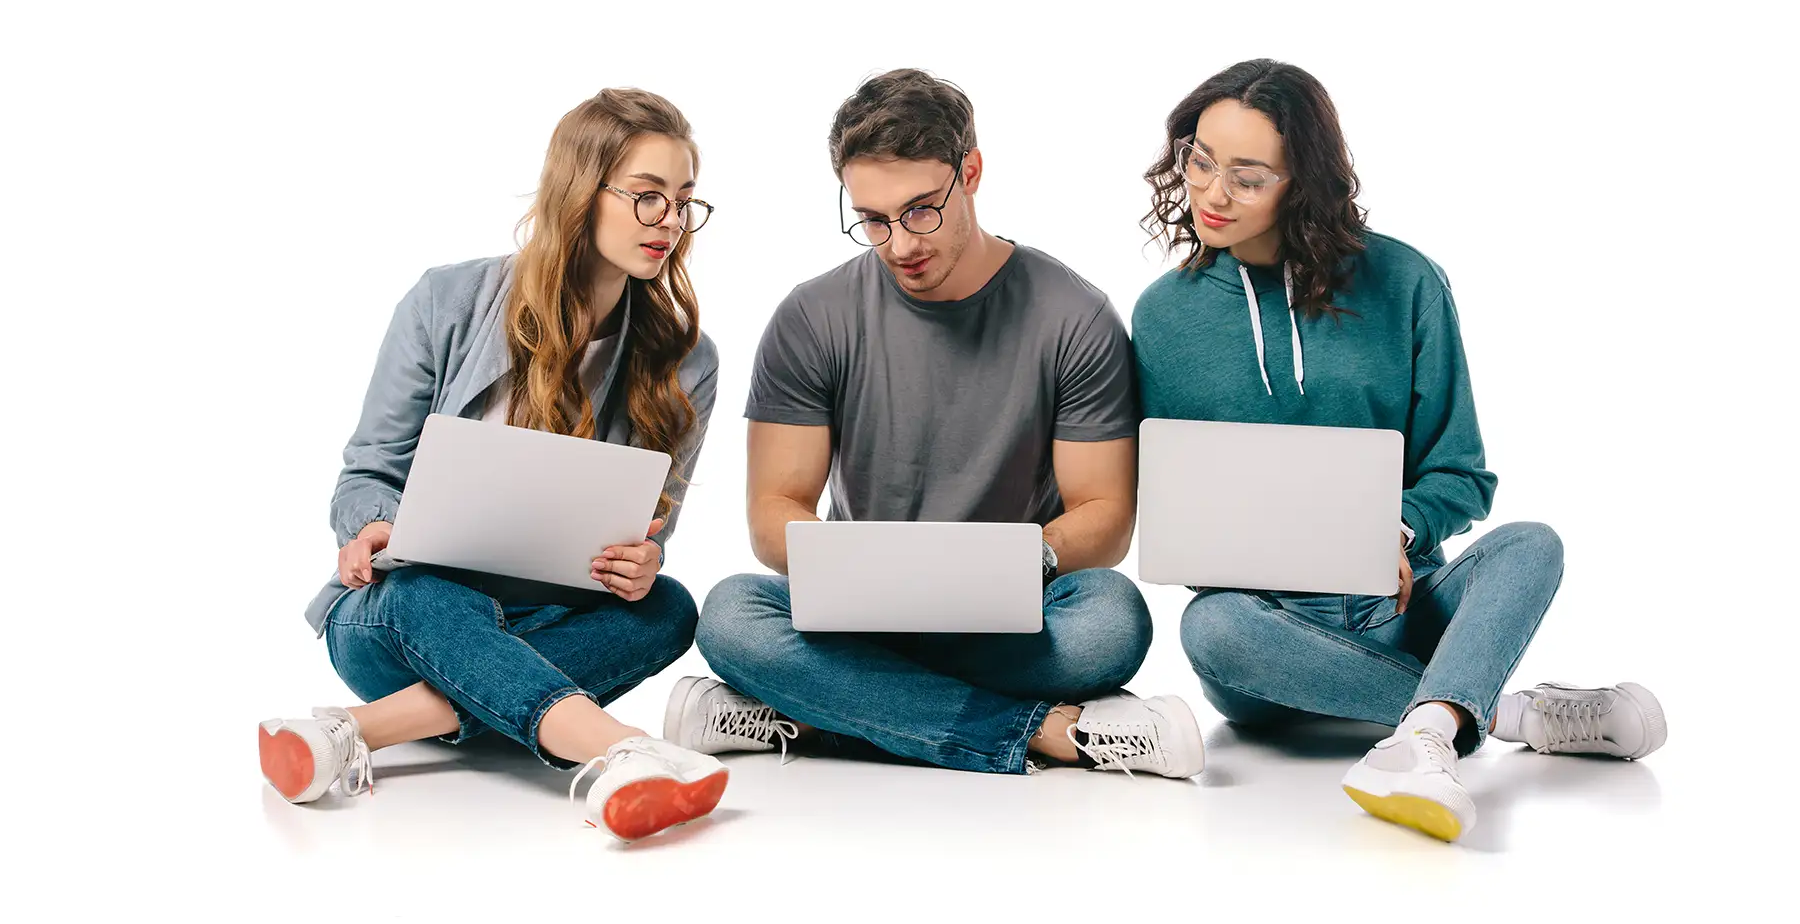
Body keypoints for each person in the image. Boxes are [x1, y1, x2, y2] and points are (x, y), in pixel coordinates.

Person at [1132, 58, 1667, 842]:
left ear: (1301, 181)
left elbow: (1463, 472)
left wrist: (1399, 527)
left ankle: (1425, 728)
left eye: (1247, 177)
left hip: (1408, 605)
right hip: (1268, 639)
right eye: (1200, 161)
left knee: (1532, 544)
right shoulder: (1163, 317)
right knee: (1208, 628)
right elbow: (1178, 509)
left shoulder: (1406, 281)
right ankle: (1496, 710)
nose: (1211, 193)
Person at [668, 68, 1204, 779]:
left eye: (921, 210)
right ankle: (1040, 731)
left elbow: (1105, 516)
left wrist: (1020, 562)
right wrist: (860, 573)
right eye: (873, 220)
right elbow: (773, 515)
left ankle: (813, 714)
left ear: (971, 173)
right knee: (730, 613)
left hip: (1012, 611)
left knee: (1112, 619)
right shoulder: (811, 316)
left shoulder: (1074, 315)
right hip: (862, 615)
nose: (898, 242)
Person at [258, 88, 730, 841]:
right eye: (647, 198)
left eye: (683, 201)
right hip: (401, 615)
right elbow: (369, 468)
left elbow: (650, 527)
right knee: (436, 596)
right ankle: (619, 751)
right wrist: (373, 525)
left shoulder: (686, 361)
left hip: (550, 614)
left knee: (669, 605)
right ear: (582, 191)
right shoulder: (446, 300)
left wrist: (642, 561)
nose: (670, 221)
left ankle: (355, 731)